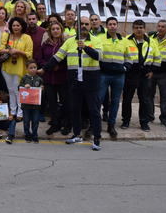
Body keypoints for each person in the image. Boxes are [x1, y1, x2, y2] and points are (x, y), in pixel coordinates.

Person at [38, 16, 103, 151]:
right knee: (75, 109)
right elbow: (57, 58)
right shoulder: (69, 42)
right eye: (80, 24)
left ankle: (96, 138)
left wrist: (85, 47)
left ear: (90, 26)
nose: (83, 26)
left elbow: (99, 56)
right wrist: (43, 69)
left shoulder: (96, 40)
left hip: (91, 82)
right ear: (75, 27)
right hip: (74, 82)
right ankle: (77, 134)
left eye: (86, 24)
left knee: (93, 110)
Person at [121, 19, 160, 132]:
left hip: (145, 74)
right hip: (131, 73)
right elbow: (122, 55)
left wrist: (153, 70)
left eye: (141, 27)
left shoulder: (152, 42)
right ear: (133, 29)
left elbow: (157, 58)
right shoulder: (126, 40)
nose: (139, 30)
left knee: (144, 99)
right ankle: (126, 121)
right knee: (127, 99)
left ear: (145, 29)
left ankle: (144, 122)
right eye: (136, 28)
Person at [97, 17, 130, 139]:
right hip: (104, 74)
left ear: (117, 26)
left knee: (115, 101)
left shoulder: (124, 40)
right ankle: (95, 125)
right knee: (99, 99)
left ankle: (111, 125)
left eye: (114, 24)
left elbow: (129, 57)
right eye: (110, 24)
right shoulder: (100, 39)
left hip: (119, 76)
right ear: (106, 26)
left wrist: (126, 68)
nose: (112, 26)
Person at [35, 21, 69, 136]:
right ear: (50, 31)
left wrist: (58, 67)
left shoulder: (66, 44)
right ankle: (55, 123)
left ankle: (65, 122)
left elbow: (68, 60)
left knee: (65, 101)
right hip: (49, 77)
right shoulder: (45, 44)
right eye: (53, 29)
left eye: (57, 29)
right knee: (52, 102)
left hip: (62, 77)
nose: (55, 31)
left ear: (61, 30)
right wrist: (48, 66)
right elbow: (40, 59)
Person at [0, 17, 33, 121]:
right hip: (7, 67)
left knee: (18, 90)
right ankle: (12, 111)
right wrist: (9, 52)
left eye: (18, 25)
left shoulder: (27, 37)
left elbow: (29, 55)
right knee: (11, 90)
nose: (16, 27)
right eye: (13, 25)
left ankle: (20, 112)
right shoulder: (6, 35)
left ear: (22, 26)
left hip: (20, 68)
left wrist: (18, 51)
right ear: (10, 26)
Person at [19, 60, 44, 143]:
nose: (33, 69)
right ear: (27, 69)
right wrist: (24, 86)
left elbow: (42, 92)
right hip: (26, 105)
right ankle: (27, 134)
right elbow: (19, 88)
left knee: (35, 121)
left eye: (35, 67)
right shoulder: (24, 78)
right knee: (26, 121)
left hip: (36, 105)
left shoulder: (39, 79)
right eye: (31, 68)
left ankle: (35, 135)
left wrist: (42, 89)